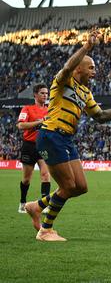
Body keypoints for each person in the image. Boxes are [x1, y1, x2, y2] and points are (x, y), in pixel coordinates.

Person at [23, 34, 111, 241]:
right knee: (67, 186)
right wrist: (87, 46)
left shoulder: (85, 92)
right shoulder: (63, 81)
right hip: (50, 135)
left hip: (66, 139)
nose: (94, 72)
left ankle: (36, 206)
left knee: (80, 187)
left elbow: (101, 116)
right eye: (91, 68)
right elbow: (67, 67)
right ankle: (45, 230)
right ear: (79, 68)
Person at [16, 84, 50, 214]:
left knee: (46, 175)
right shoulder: (27, 109)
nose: (45, 96)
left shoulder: (50, 110)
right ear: (35, 95)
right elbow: (21, 125)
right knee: (26, 179)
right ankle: (22, 203)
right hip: (29, 146)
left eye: (46, 93)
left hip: (44, 146)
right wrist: (39, 122)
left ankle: (44, 204)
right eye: (42, 93)